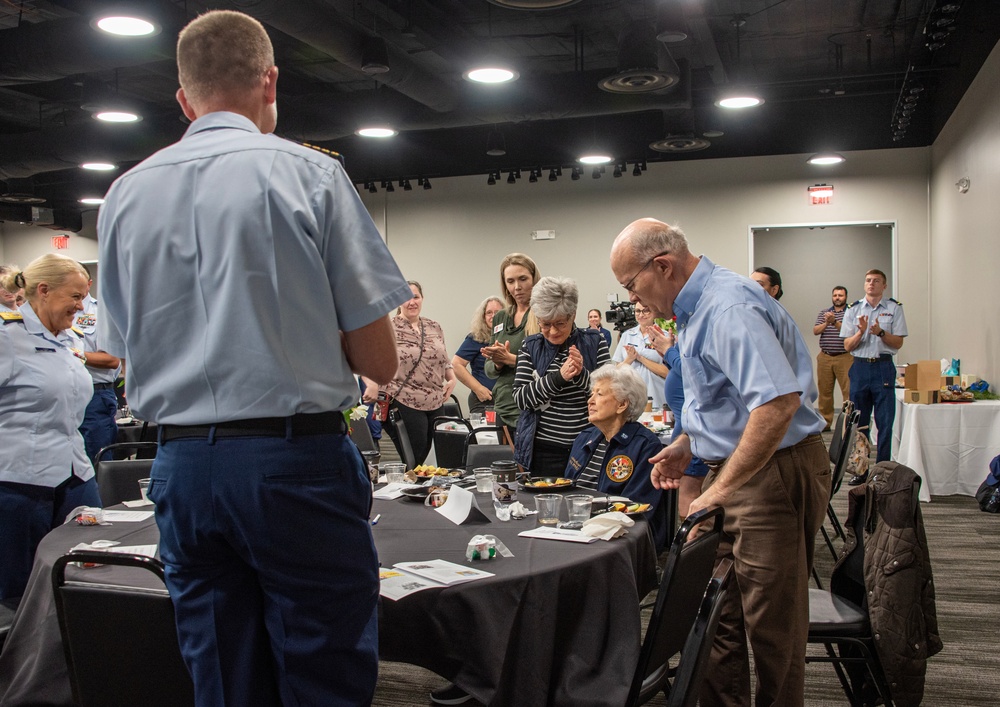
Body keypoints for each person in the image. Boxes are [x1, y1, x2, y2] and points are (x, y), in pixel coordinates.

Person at [95, 10, 411, 705]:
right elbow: (381, 362)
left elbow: (117, 350)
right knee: (322, 676)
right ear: (271, 81)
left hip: (180, 467)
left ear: (183, 99)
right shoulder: (312, 177)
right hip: (294, 464)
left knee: (223, 681)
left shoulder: (125, 195)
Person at [610, 218, 829, 707]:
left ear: (662, 265)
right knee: (714, 619)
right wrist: (688, 443)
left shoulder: (728, 306)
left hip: (770, 472)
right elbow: (724, 399)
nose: (633, 301)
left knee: (772, 630)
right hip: (738, 468)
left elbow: (776, 405)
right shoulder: (694, 309)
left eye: (631, 286)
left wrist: (721, 488)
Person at [0, 254, 102, 601]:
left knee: (89, 570)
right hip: (19, 483)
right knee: (21, 591)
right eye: (74, 296)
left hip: (75, 474)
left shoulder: (70, 340)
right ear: (43, 290)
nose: (81, 305)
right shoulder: (7, 339)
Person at [512, 276, 610, 474]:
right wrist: (559, 377)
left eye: (560, 323)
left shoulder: (594, 341)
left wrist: (581, 374)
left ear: (573, 315)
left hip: (587, 445)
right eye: (545, 324)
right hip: (543, 449)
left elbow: (609, 394)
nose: (553, 331)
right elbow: (521, 398)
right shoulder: (531, 346)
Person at [564, 364, 667, 547]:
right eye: (592, 393)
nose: (590, 401)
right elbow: (566, 491)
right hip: (574, 528)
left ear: (622, 404)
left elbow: (636, 509)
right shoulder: (584, 438)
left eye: (600, 394)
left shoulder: (646, 446)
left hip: (616, 538)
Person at [376, 280, 457, 466]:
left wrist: (452, 379)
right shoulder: (388, 327)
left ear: (422, 299)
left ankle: (426, 489)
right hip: (405, 398)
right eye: (405, 297)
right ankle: (412, 490)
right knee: (416, 455)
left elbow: (443, 358)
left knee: (434, 454)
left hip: (435, 399)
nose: (411, 302)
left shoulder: (434, 326)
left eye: (415, 297)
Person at [841, 269, 907, 481]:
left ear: (884, 285)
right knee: (859, 422)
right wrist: (860, 332)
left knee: (885, 422)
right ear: (864, 284)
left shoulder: (893, 308)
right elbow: (847, 346)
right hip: (860, 367)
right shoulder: (854, 309)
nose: (871, 284)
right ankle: (861, 471)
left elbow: (898, 343)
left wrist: (880, 332)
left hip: (883, 367)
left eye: (876, 281)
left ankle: (882, 472)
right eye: (868, 280)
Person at [646, 324, 709, 520]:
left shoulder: (703, 331)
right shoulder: (689, 332)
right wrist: (668, 352)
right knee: (686, 501)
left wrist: (668, 351)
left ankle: (692, 546)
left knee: (690, 505)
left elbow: (693, 373)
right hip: (685, 431)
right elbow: (677, 368)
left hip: (695, 431)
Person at [482, 253, 540, 438]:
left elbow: (550, 365)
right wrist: (498, 362)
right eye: (510, 281)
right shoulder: (501, 317)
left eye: (523, 279)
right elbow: (489, 370)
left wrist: (512, 359)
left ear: (534, 279)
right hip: (502, 405)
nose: (517, 287)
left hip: (530, 406)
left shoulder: (543, 315)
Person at [74, 264, 123, 463]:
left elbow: (112, 360)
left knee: (97, 460)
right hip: (66, 394)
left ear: (89, 283)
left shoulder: (102, 312)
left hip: (95, 396)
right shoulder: (54, 312)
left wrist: (72, 354)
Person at [452, 296, 504, 415]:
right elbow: (456, 364)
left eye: (498, 312)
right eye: (489, 313)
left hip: (508, 401)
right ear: (483, 317)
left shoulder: (510, 337)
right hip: (485, 402)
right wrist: (478, 389)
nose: (493, 316)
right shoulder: (476, 338)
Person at [611, 302, 668, 407]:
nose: (641, 315)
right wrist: (630, 359)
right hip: (631, 396)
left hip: (656, 396)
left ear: (654, 312)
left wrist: (641, 358)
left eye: (645, 311)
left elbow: (667, 372)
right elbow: (617, 370)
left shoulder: (663, 336)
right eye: (638, 311)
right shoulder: (627, 335)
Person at [813, 285, 852, 431]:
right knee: (825, 392)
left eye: (840, 295)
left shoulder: (851, 312)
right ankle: (825, 422)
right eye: (835, 295)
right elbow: (815, 330)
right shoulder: (824, 312)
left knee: (848, 392)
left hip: (845, 357)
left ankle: (846, 424)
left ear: (846, 297)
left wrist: (835, 322)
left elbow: (850, 332)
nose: (837, 298)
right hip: (825, 356)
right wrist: (827, 322)